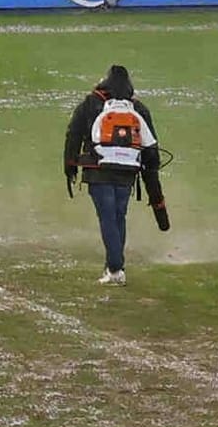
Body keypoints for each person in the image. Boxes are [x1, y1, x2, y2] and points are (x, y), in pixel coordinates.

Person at [64, 64, 165, 287]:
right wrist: (152, 178)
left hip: (98, 170)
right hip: (127, 171)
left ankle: (115, 267)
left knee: (107, 216)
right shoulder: (138, 108)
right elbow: (151, 148)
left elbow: (73, 134)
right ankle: (116, 267)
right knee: (119, 216)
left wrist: (70, 166)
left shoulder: (90, 104)